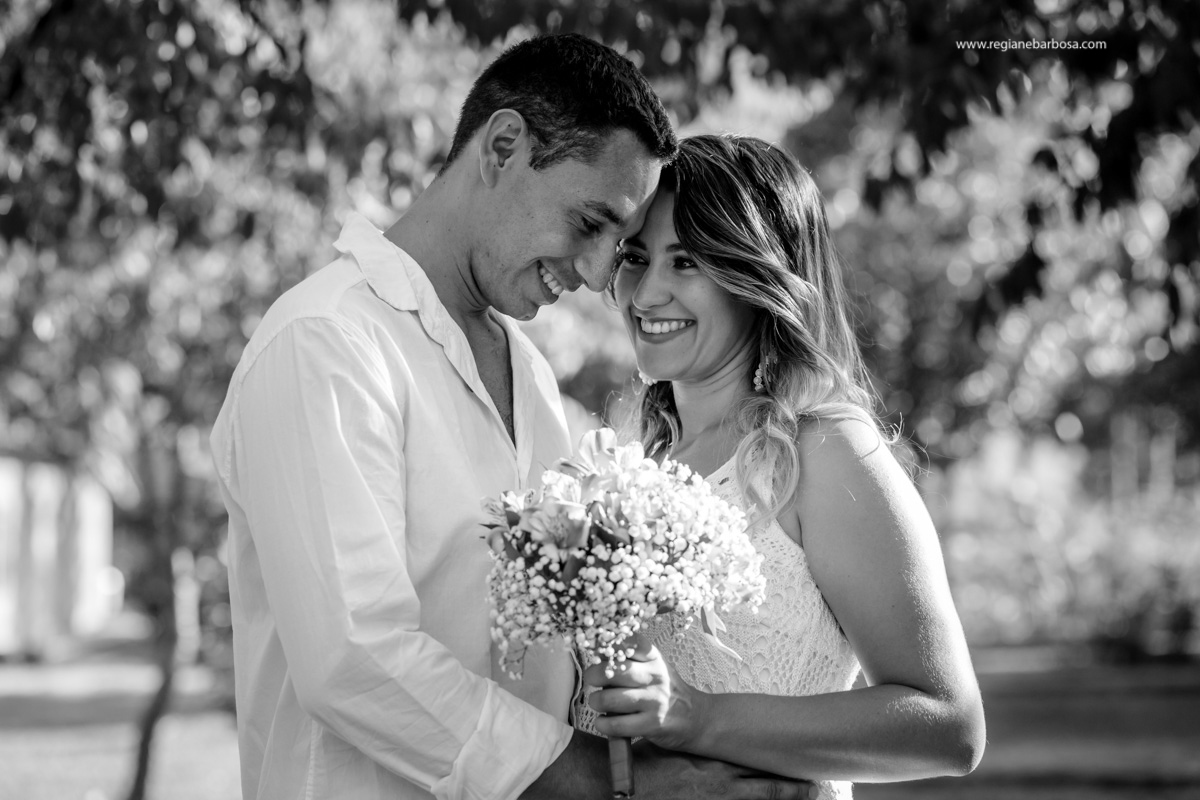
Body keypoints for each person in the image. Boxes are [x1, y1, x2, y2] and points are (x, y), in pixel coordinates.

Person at [211, 35, 815, 800]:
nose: (602, 275)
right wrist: (617, 788)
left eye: (619, 244)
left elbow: (539, 652)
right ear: (502, 147)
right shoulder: (327, 343)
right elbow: (353, 658)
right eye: (590, 223)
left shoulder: (528, 373)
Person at [580, 134, 987, 798]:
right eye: (636, 256)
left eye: (687, 262)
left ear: (755, 278)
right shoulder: (638, 466)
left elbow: (948, 724)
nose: (646, 292)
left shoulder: (822, 452)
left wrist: (696, 717)